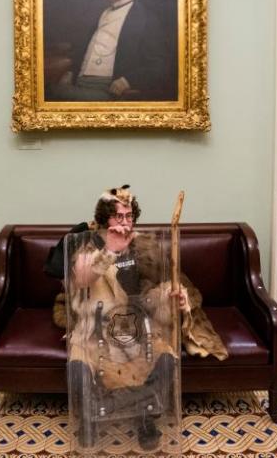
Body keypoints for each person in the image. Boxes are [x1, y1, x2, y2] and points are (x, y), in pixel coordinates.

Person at [44, 186, 226, 450]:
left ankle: (143, 417)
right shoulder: (87, 243)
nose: (125, 222)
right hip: (95, 331)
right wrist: (109, 252)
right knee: (78, 368)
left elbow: (153, 291)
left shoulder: (143, 245)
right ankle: (94, 417)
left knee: (166, 359)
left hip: (138, 328)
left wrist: (172, 297)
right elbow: (82, 278)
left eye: (129, 216)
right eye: (119, 216)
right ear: (106, 218)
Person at [47, 0, 175, 102]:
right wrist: (71, 72)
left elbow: (160, 65)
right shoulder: (104, 12)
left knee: (49, 92)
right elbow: (87, 48)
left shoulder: (145, 18)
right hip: (79, 82)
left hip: (106, 91)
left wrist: (128, 81)